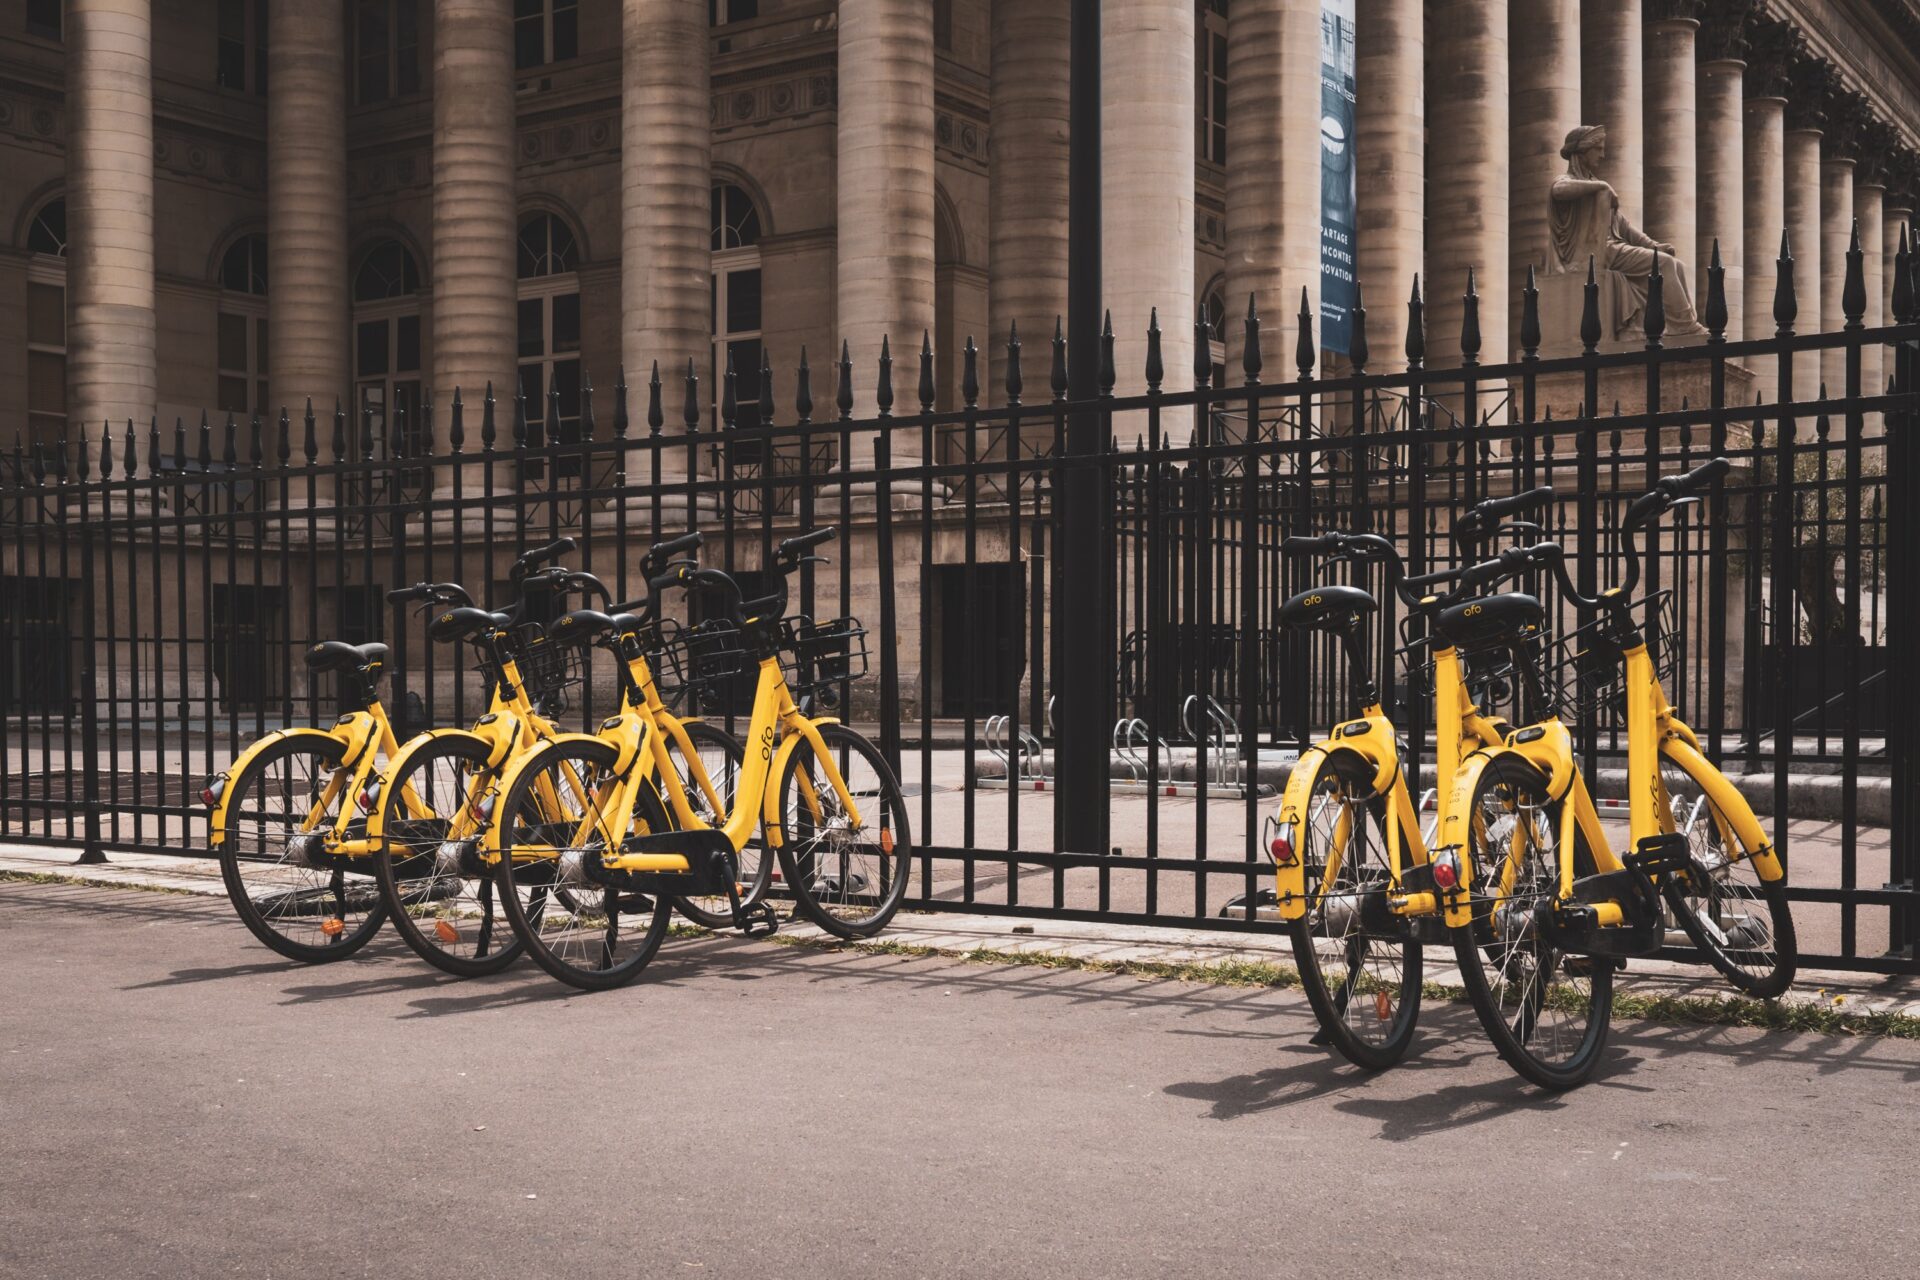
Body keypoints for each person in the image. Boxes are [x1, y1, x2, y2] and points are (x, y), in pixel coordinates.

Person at [1549, 124, 1707, 337]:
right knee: (1664, 265)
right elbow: (1558, 191)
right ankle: (1684, 325)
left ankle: (1678, 326)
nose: (1603, 155)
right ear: (1583, 151)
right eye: (1598, 149)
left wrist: (1654, 246)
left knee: (1676, 265)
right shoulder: (1570, 181)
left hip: (1613, 248)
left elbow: (1624, 227)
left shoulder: (1595, 184)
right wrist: (1602, 187)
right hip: (1594, 252)